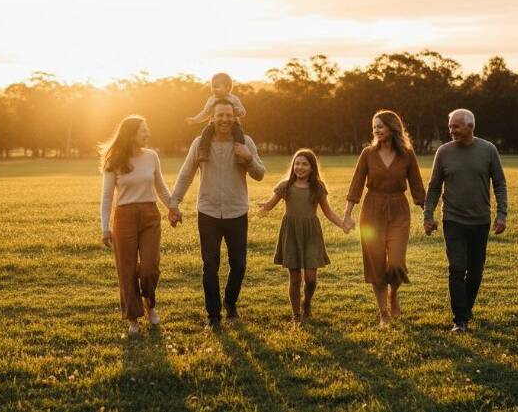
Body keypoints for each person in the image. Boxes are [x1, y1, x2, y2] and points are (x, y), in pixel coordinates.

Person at [169, 99, 265, 329]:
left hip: (237, 212)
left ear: (234, 117)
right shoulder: (200, 144)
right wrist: (174, 203)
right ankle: (213, 316)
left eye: (228, 115)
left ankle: (230, 304)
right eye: (219, 115)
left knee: (239, 265)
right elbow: (186, 174)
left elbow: (260, 174)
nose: (224, 119)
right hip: (208, 212)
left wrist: (248, 157)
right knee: (210, 266)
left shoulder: (246, 142)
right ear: (212, 118)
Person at [423, 108, 508, 333]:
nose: (451, 131)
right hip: (453, 219)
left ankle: (466, 310)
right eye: (450, 126)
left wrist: (502, 214)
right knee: (457, 267)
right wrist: (428, 215)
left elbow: (499, 183)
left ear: (470, 127)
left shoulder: (488, 150)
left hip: (480, 220)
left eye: (456, 126)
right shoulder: (443, 152)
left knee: (476, 271)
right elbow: (433, 187)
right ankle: (459, 319)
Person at [344, 110, 426, 326]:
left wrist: (428, 214)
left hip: (399, 209)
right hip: (372, 210)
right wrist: (347, 215)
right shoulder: (367, 154)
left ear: (392, 127)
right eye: (374, 127)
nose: (376, 130)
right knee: (376, 263)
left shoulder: (407, 155)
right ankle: (383, 313)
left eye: (380, 126)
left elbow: (417, 186)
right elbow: (356, 185)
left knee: (396, 263)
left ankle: (393, 294)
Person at [99, 115, 172, 335]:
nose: (148, 133)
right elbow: (106, 198)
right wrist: (105, 227)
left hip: (150, 215)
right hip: (124, 216)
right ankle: (133, 318)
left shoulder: (152, 157)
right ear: (131, 134)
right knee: (127, 268)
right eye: (143, 130)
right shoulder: (114, 160)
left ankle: (150, 303)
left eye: (147, 129)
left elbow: (161, 187)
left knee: (149, 268)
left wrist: (173, 207)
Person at [260, 149, 348, 323]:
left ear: (312, 167)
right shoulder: (285, 186)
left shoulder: (317, 188)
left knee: (311, 279)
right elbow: (270, 204)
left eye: (304, 164)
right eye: (297, 163)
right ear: (293, 165)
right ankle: (296, 314)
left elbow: (328, 212)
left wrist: (343, 224)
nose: (299, 167)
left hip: (311, 234)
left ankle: (306, 302)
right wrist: (263, 207)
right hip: (291, 233)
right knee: (295, 278)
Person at [185, 72, 247, 163]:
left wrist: (238, 111)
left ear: (227, 87)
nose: (213, 89)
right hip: (214, 124)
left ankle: (240, 155)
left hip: (233, 124)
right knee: (206, 132)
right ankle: (203, 152)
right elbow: (205, 113)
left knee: (239, 134)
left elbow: (243, 112)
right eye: (212, 87)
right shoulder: (211, 100)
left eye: (217, 87)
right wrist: (195, 120)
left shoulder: (234, 99)